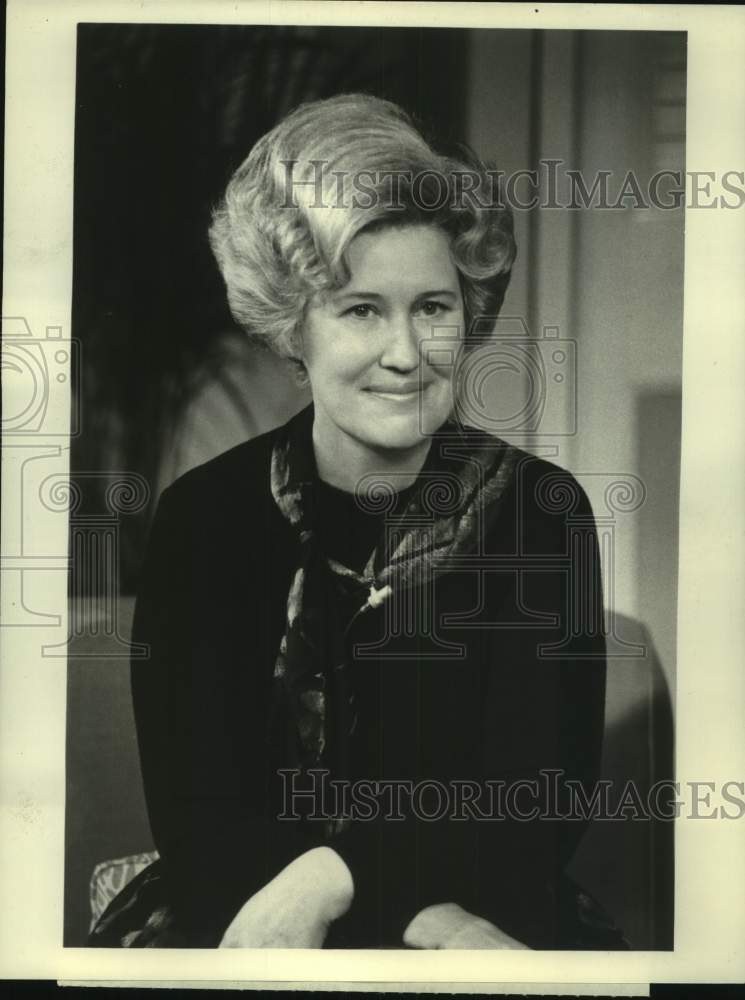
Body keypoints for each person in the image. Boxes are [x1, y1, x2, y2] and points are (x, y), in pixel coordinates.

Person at [90, 93, 618, 950]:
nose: (406, 353)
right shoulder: (204, 519)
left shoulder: (538, 512)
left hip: (486, 912)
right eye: (361, 309)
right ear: (292, 325)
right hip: (248, 907)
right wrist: (405, 911)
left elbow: (532, 807)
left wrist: (335, 877)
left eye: (433, 308)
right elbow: (200, 818)